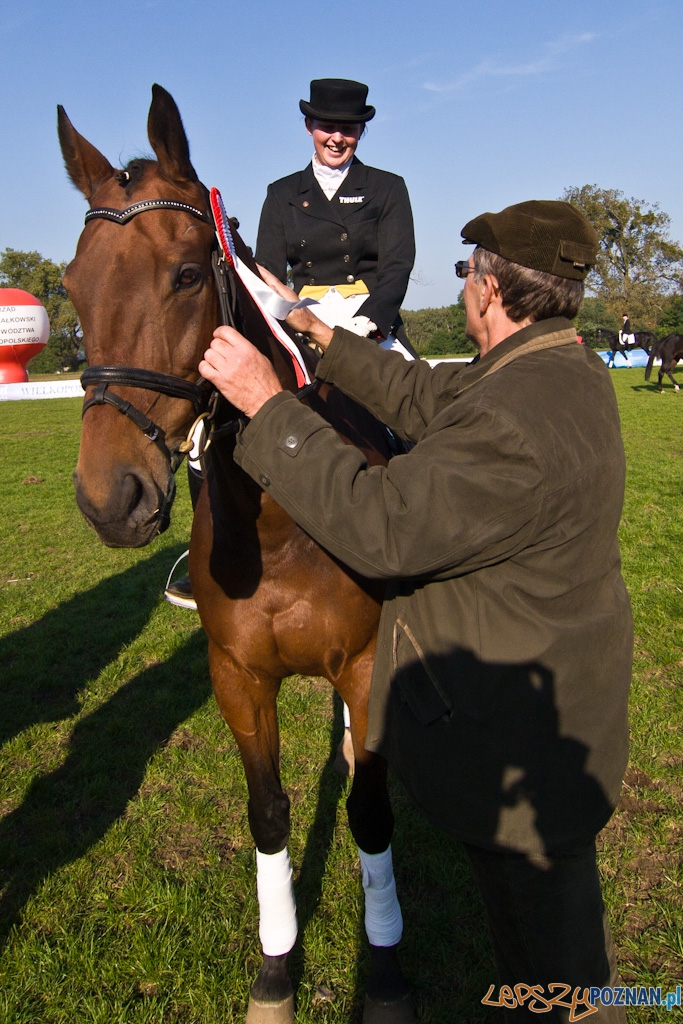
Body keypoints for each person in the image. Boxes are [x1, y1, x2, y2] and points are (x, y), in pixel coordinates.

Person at [198, 199, 632, 1019]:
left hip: (515, 744)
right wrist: (314, 332)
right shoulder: (553, 371)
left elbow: (381, 527)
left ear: (489, 291)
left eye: (470, 270)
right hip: (560, 706)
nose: (464, 280)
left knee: (559, 980)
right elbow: (435, 402)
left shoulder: (513, 418)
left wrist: (267, 405)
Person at [254, 77, 416, 358]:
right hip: (304, 317)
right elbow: (269, 273)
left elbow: (397, 268)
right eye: (327, 127)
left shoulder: (388, 188)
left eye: (348, 129)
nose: (337, 138)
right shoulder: (281, 193)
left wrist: (366, 323)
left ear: (361, 130)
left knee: (413, 396)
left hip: (366, 320)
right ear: (309, 127)